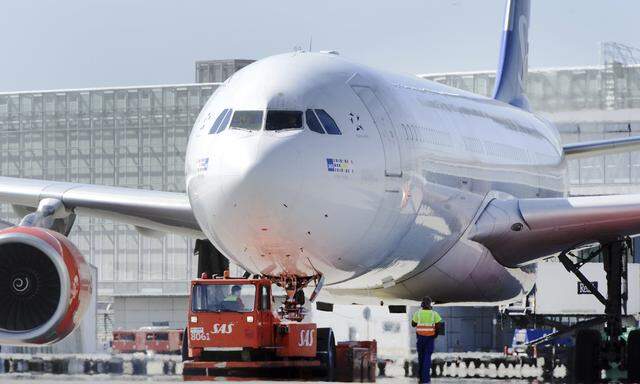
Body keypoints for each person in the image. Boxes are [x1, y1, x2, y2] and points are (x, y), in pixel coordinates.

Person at [411, 296, 443, 384]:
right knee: (427, 358)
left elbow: (413, 324)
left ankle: (421, 378)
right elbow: (438, 326)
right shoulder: (434, 314)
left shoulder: (418, 313)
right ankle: (425, 379)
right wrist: (435, 335)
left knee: (421, 358)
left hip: (420, 338)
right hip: (429, 339)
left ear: (422, 304)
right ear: (430, 304)